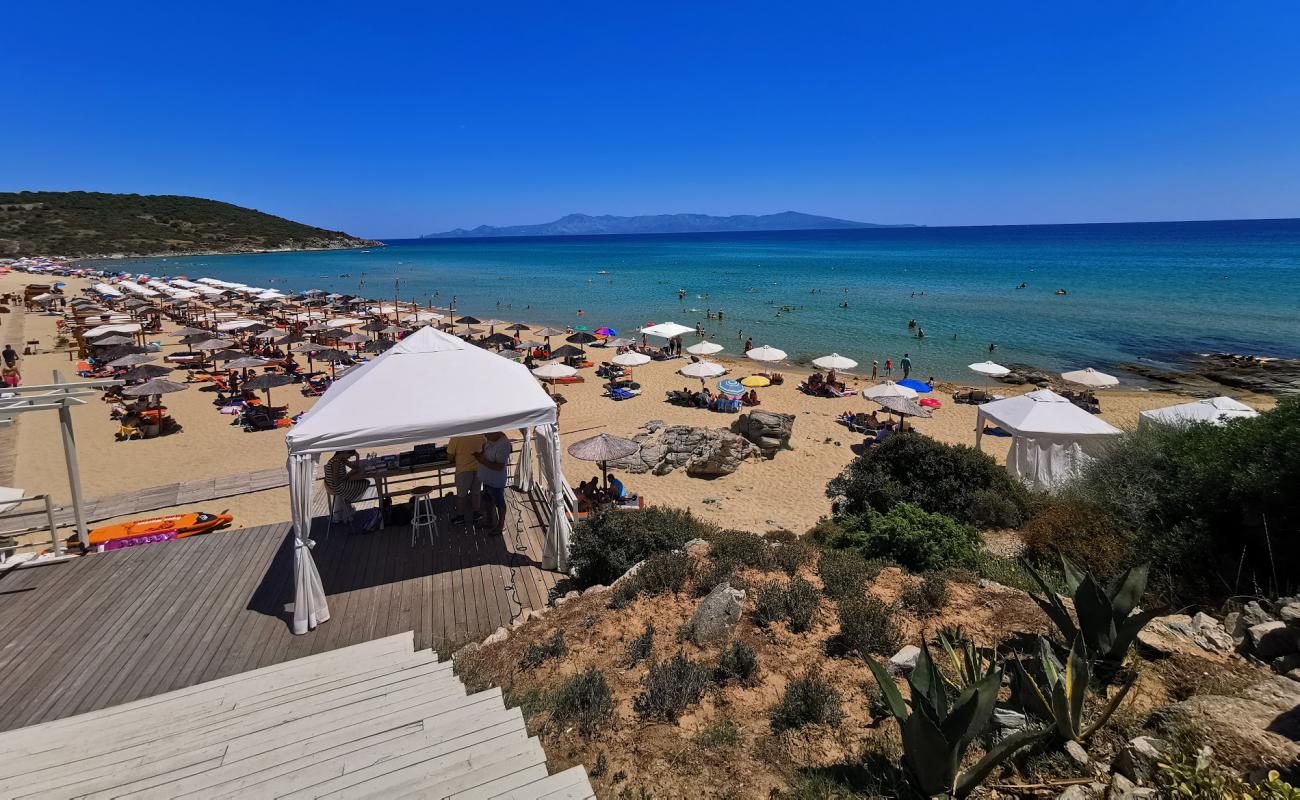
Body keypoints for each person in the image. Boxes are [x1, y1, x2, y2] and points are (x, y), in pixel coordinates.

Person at [323, 450, 374, 528]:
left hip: (338, 483)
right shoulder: (336, 462)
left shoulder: (341, 459)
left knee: (363, 482)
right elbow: (336, 482)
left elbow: (355, 468)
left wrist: (357, 456)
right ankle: (347, 501)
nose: (349, 457)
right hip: (336, 486)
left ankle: (347, 503)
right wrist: (349, 475)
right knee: (364, 483)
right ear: (344, 452)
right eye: (349, 456)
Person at [474, 431, 512, 533]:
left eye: (487, 434)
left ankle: (500, 526)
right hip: (487, 480)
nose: (485, 436)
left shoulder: (503, 445)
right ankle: (489, 521)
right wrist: (480, 455)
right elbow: (486, 453)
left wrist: (482, 461)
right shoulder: (491, 438)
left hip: (495, 482)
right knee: (487, 501)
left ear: (494, 432)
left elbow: (499, 467)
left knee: (499, 503)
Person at [447, 433, 486, 525]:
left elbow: (449, 456)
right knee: (476, 493)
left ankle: (460, 517)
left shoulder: (456, 437)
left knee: (462, 496)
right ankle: (476, 514)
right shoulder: (479, 434)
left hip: (463, 470)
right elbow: (485, 447)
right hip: (478, 469)